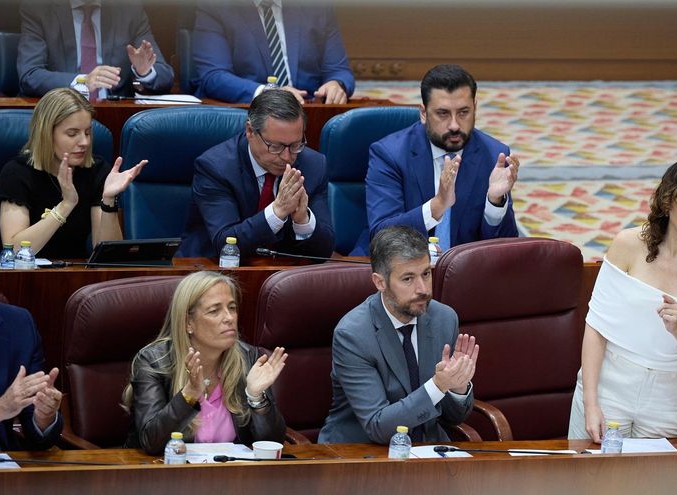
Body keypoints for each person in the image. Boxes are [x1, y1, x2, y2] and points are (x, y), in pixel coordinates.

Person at [568, 158, 677, 442]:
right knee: (584, 482)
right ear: (668, 199)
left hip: (670, 401)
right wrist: (591, 403)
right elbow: (596, 329)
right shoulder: (628, 245)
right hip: (610, 385)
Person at [318, 226, 478, 444]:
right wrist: (438, 385)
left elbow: (453, 418)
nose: (422, 289)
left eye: (426, 274)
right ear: (380, 282)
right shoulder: (353, 335)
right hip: (360, 457)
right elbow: (378, 426)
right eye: (408, 279)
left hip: (426, 452)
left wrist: (458, 386)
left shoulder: (444, 318)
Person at [124, 271, 287, 455]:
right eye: (214, 311)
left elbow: (272, 445)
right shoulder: (155, 361)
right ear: (188, 323)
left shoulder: (248, 357)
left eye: (232, 308)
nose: (229, 318)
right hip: (168, 476)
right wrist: (189, 395)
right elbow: (151, 442)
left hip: (233, 477)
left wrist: (256, 397)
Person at [363, 64, 520, 255]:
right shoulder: (389, 154)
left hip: (464, 273)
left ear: (475, 108)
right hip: (403, 270)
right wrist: (437, 205)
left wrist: (495, 202)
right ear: (423, 113)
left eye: (463, 112)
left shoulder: (494, 155)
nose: (454, 125)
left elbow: (506, 248)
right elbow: (382, 235)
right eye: (443, 113)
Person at [177, 89, 334, 260]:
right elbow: (226, 245)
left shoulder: (314, 165)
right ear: (250, 131)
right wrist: (277, 211)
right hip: (211, 272)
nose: (287, 157)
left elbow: (324, 252)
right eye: (275, 146)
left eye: (296, 145)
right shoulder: (215, 167)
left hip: (281, 274)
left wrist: (303, 221)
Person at [0, 87, 146, 259]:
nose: (84, 142)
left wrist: (108, 200)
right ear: (46, 134)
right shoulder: (17, 173)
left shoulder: (96, 171)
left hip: (75, 276)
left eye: (88, 132)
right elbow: (14, 251)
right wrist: (66, 205)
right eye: (72, 133)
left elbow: (110, 257)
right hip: (25, 278)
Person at [192, 0, 354, 104]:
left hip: (311, 115)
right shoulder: (216, 7)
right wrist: (268, 93)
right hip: (249, 117)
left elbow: (339, 71)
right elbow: (213, 77)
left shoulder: (316, 7)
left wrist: (336, 84)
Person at [17, 0, 174, 99]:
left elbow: (165, 75)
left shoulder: (129, 9)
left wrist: (144, 72)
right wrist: (83, 81)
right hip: (60, 112)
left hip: (114, 115)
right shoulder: (38, 8)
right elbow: (30, 75)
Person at [0, 265, 63, 451]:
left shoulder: (19, 325)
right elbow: (4, 407)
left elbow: (38, 437)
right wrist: (0, 409)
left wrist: (44, 415)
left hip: (2, 467)